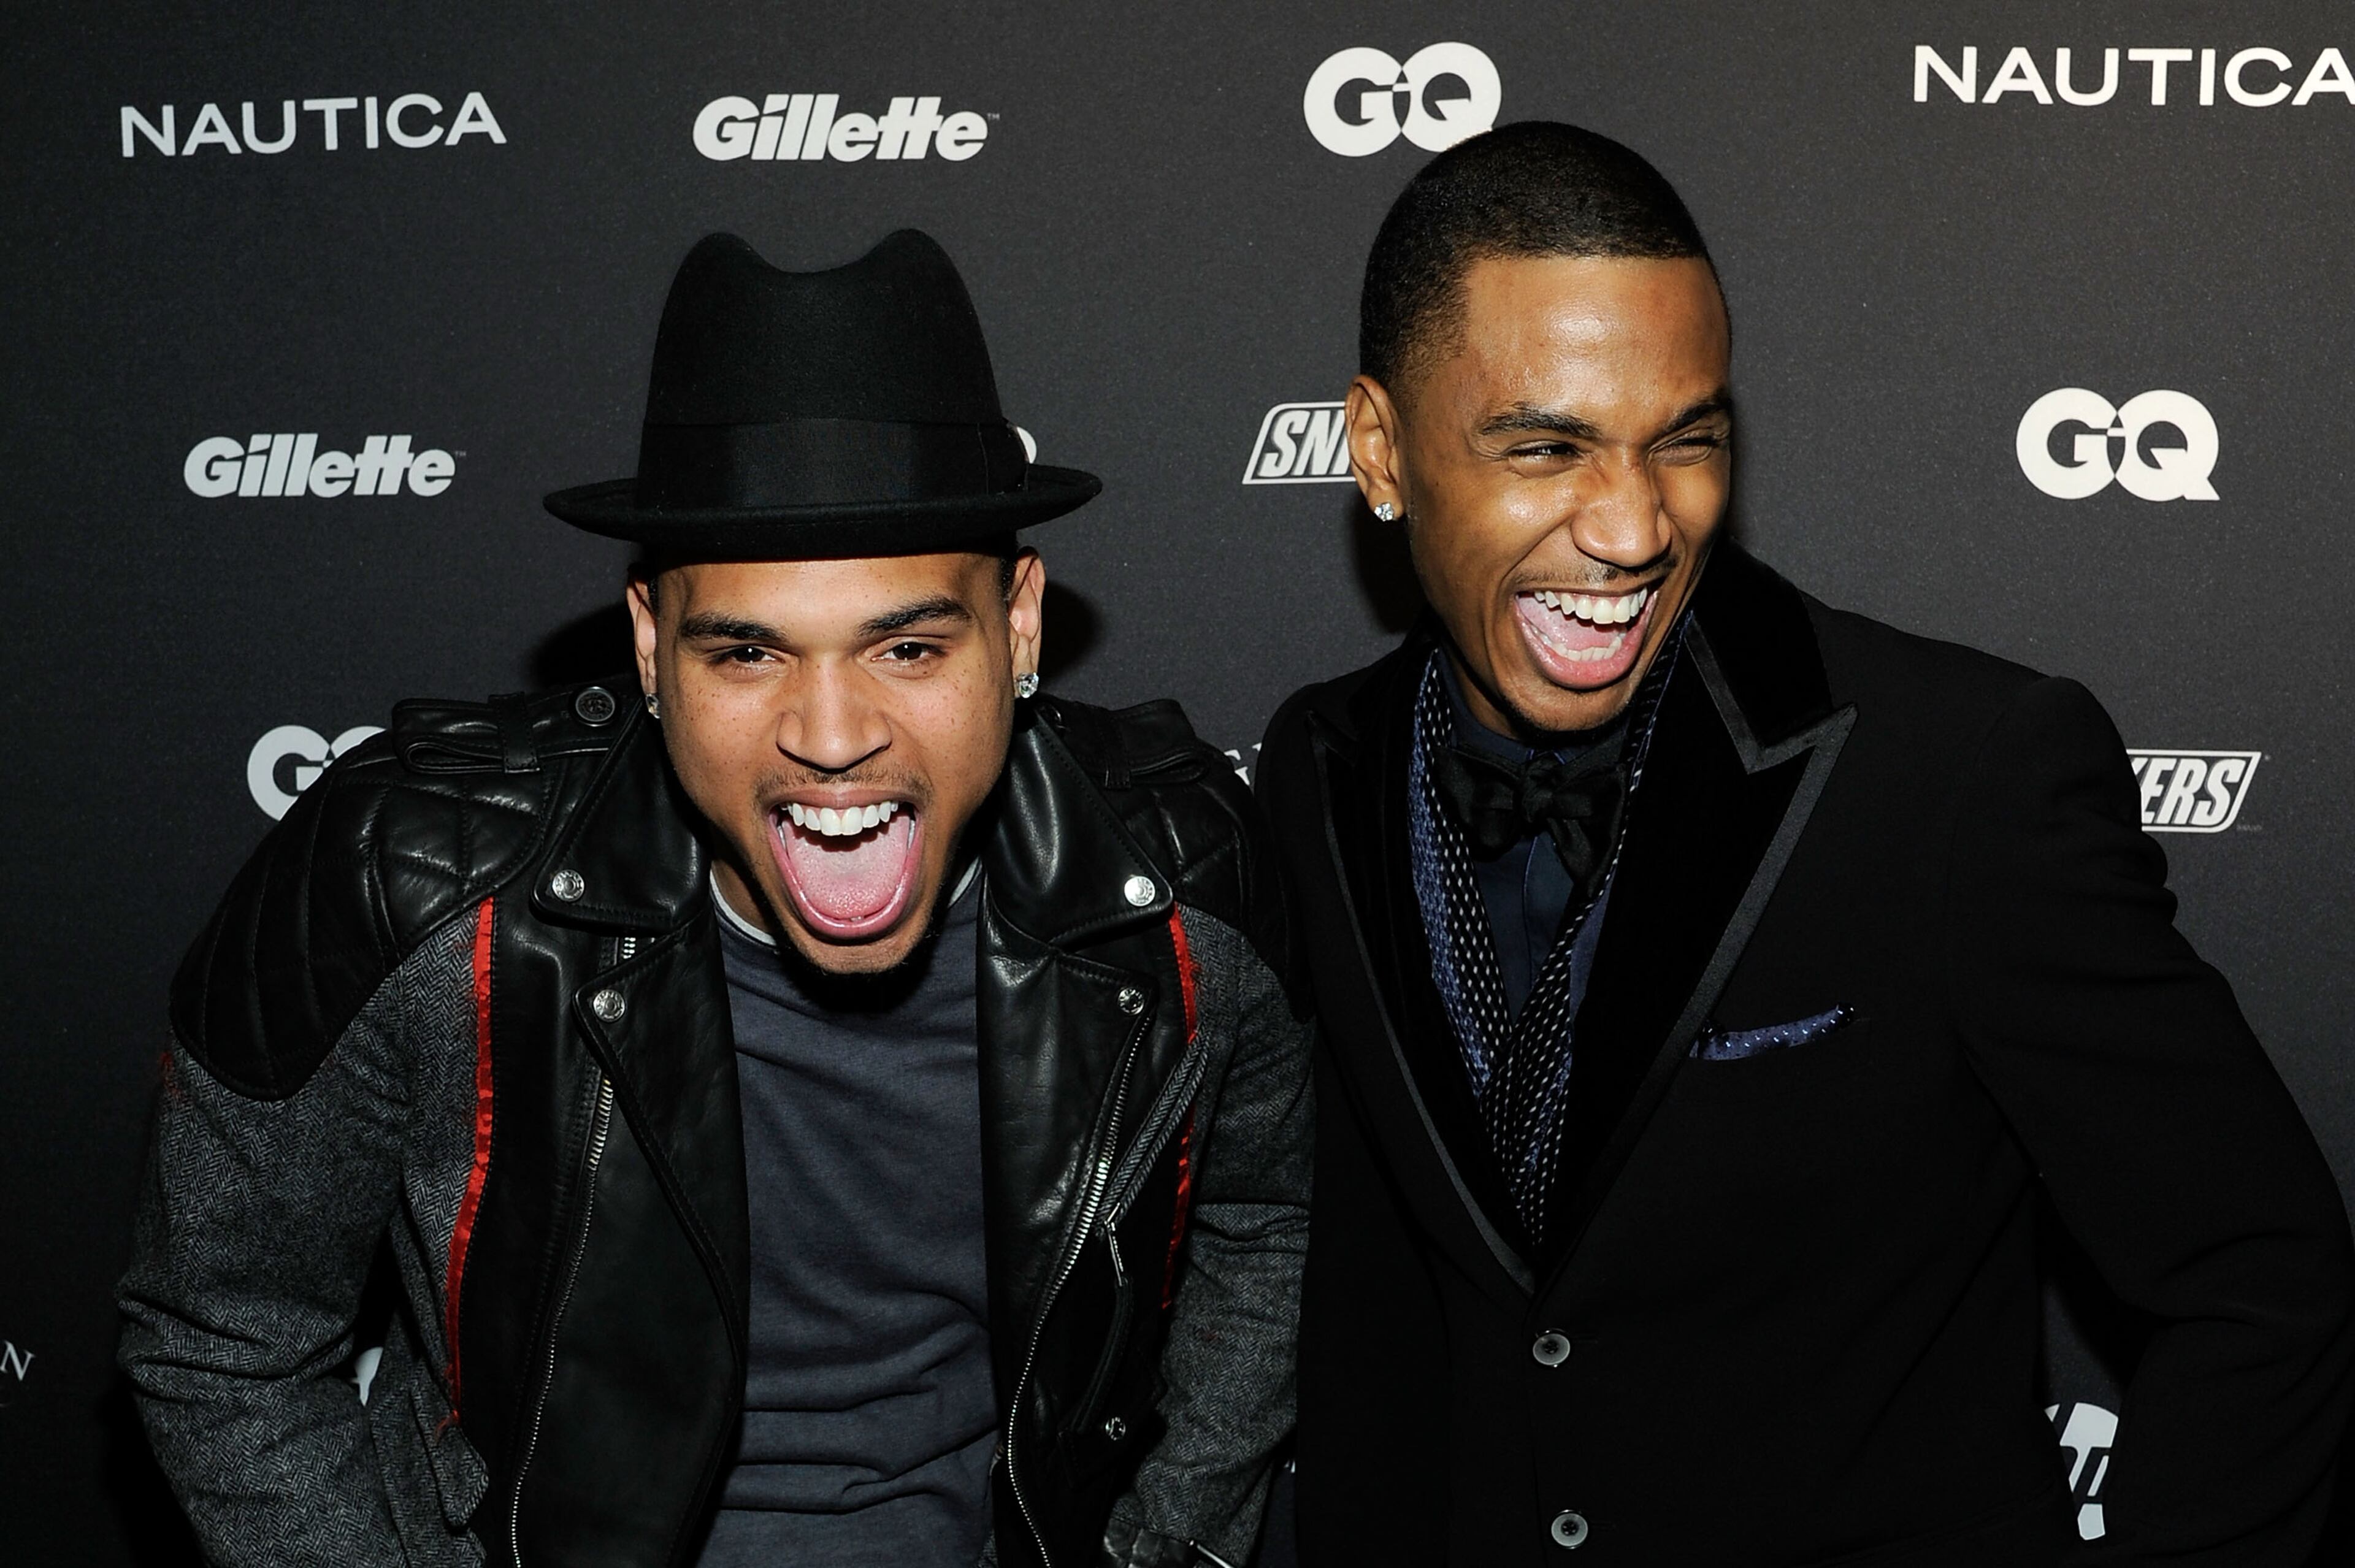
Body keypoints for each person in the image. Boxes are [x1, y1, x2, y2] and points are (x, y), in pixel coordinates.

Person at [120, 229, 1311, 1568]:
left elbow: (1266, 1228)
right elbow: (220, 1327)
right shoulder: (416, 891)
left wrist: (1166, 1549)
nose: (832, 731)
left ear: (1020, 625)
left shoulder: (1173, 890)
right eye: (746, 651)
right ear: (647, 644)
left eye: (908, 645)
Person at [1256, 121, 2355, 1565]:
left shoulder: (1958, 776)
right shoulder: (1316, 767)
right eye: (1548, 447)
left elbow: (2262, 1280)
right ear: (1381, 449)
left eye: (1687, 440)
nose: (1637, 525)